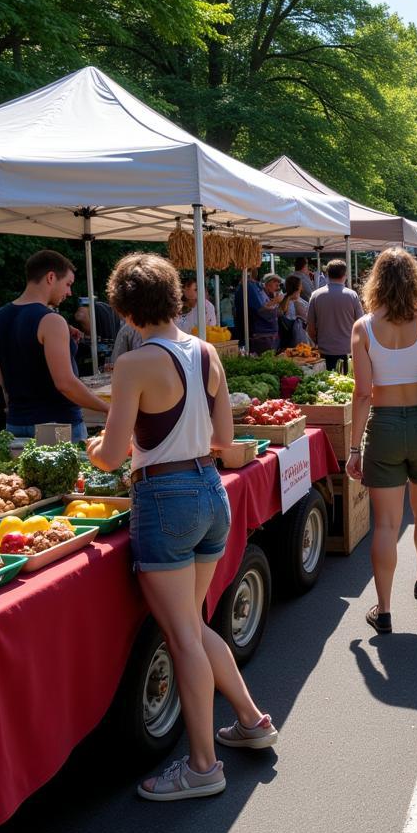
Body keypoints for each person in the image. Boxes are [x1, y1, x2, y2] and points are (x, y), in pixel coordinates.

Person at [88, 253, 277, 801]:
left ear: (124, 310)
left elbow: (112, 453)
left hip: (165, 497)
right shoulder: (206, 352)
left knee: (183, 637)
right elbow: (223, 437)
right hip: (212, 490)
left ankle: (202, 766)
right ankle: (251, 720)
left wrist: (96, 447)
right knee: (194, 626)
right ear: (176, 297)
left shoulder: (135, 363)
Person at [347, 248, 417, 634]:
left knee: (386, 524)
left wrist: (354, 448)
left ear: (375, 283)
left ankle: (384, 609)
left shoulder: (363, 328)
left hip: (385, 428)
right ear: (415, 281)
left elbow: (362, 394)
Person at [0, 250, 110, 440]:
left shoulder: (0, 315)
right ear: (51, 277)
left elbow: (1, 378)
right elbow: (65, 383)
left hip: (15, 423)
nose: (69, 292)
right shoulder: (51, 320)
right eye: (68, 284)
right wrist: (107, 408)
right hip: (57, 425)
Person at [307, 259, 364, 373]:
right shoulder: (352, 295)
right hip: (347, 351)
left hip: (324, 351)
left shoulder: (316, 295)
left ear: (327, 274)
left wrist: (318, 341)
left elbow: (310, 328)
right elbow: (361, 324)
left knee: (326, 386)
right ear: (345, 275)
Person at [231, 269, 285, 354]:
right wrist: (276, 301)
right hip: (260, 337)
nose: (277, 285)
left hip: (270, 336)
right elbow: (262, 311)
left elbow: (279, 313)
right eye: (275, 281)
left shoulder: (267, 294)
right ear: (267, 283)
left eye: (278, 283)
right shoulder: (256, 291)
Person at [279, 274, 310, 349]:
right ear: (298, 286)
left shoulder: (283, 297)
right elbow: (306, 318)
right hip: (299, 337)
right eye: (301, 284)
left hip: (286, 338)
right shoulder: (297, 301)